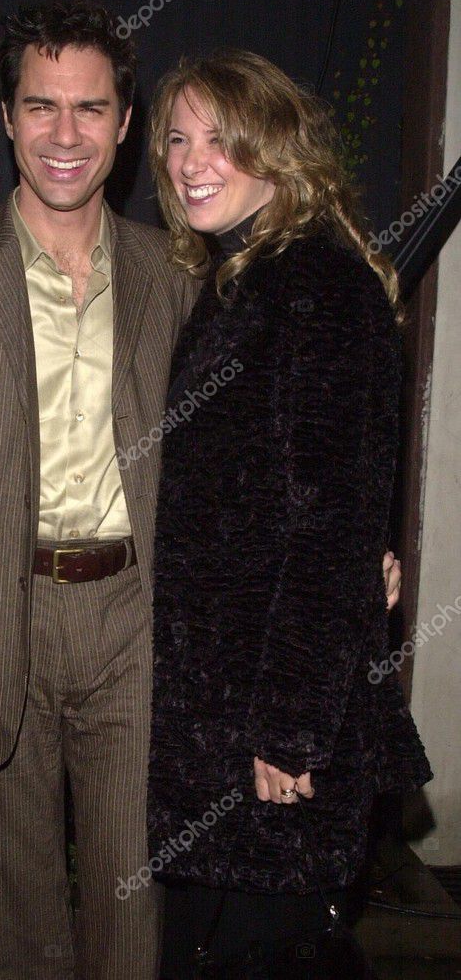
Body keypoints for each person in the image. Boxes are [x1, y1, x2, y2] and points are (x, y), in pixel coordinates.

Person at [0, 3, 402, 979]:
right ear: (5, 117)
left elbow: (271, 449)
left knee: (138, 903)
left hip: (141, 628)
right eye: (40, 106)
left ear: (124, 123)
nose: (65, 133)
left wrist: (350, 556)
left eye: (90, 108)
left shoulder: (182, 274)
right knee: (18, 904)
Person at [145, 50, 432, 977]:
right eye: (176, 139)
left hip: (270, 734)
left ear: (277, 150)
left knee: (272, 951)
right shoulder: (242, 279)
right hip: (218, 723)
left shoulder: (320, 288)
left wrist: (289, 729)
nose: (191, 161)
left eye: (220, 139)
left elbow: (333, 528)